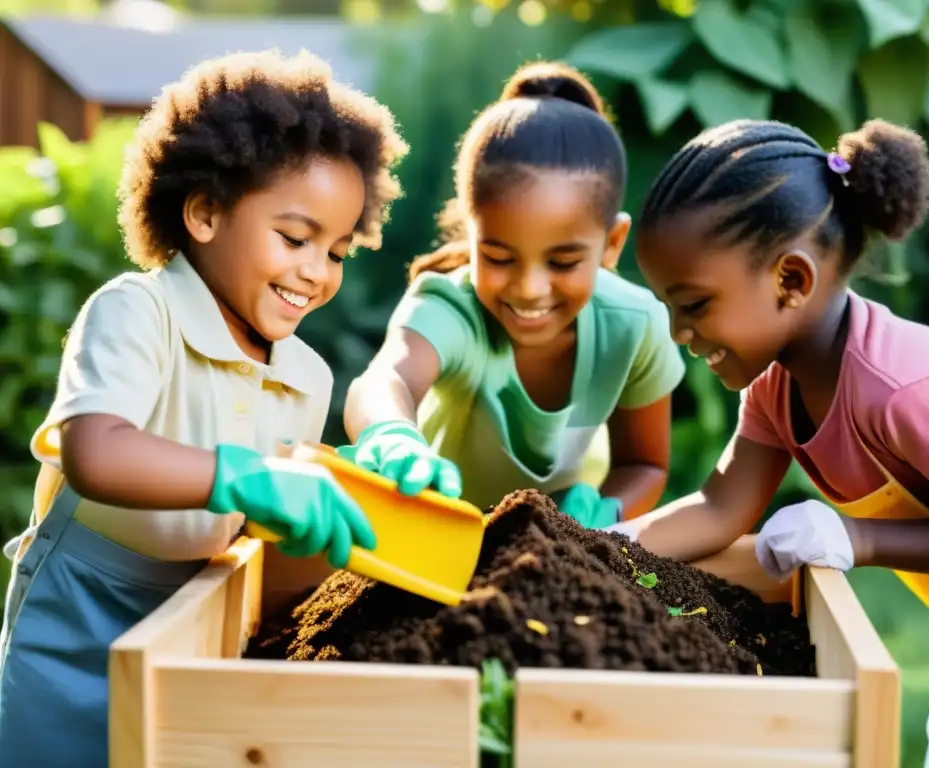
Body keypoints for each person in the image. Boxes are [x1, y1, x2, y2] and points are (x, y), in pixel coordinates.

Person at [0, 49, 407, 766]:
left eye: (339, 251)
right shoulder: (137, 313)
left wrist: (344, 512)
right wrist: (244, 475)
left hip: (192, 622)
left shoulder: (304, 376)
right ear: (204, 212)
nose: (316, 272)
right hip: (77, 625)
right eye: (294, 238)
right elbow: (96, 452)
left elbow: (260, 541)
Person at [606, 117, 929, 767]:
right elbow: (719, 510)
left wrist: (860, 540)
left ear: (791, 282)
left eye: (693, 304)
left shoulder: (909, 391)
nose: (678, 332)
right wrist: (605, 550)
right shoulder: (776, 390)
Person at [342, 61, 685, 526]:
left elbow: (644, 465)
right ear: (471, 235)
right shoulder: (451, 308)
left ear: (612, 244)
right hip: (438, 541)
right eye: (499, 258)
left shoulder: (634, 325)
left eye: (563, 262)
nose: (529, 289)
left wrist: (604, 514)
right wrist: (392, 435)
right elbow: (386, 382)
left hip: (570, 557)